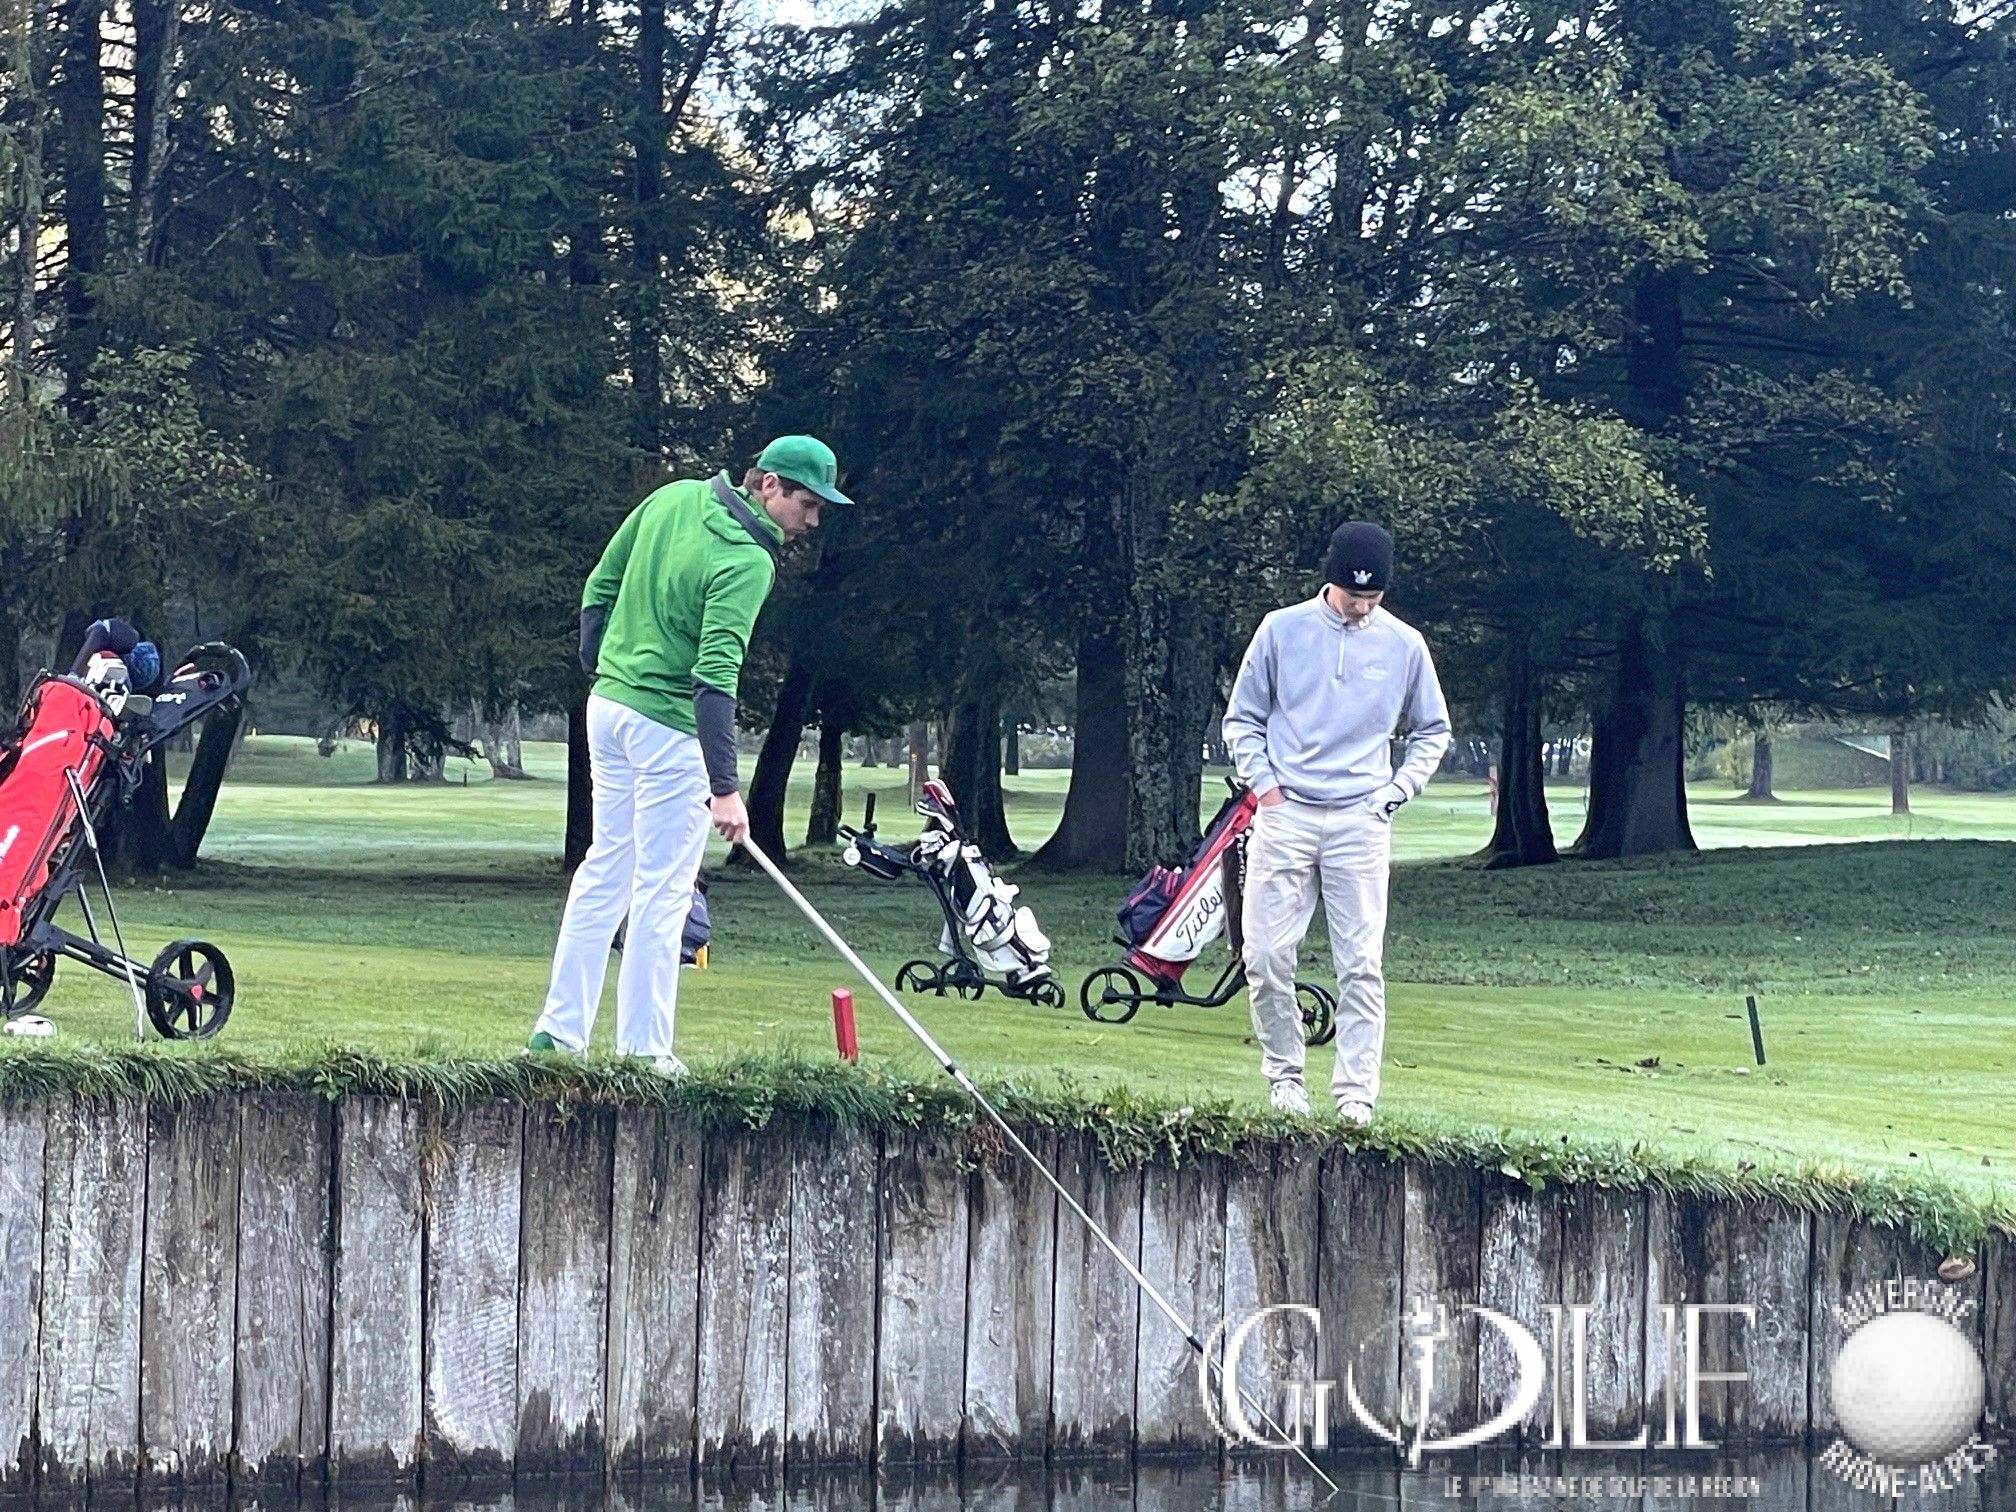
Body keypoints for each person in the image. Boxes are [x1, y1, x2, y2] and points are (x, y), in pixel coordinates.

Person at [527, 436, 849, 1073]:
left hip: (608, 711)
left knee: (605, 869)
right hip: (667, 729)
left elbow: (599, 586)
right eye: (807, 504)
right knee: (664, 890)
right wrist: (726, 788)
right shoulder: (749, 561)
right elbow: (715, 676)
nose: (812, 521)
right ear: (768, 485)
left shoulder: (672, 497)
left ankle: (557, 1036)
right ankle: (645, 1051)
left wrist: (603, 669)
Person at [1223, 521, 1451, 1124]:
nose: (1361, 607)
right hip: (1287, 813)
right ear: (1331, 581)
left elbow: (1433, 729)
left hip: (1361, 817)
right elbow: (1243, 719)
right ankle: (1285, 1078)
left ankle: (1355, 1096)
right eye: (1353, 595)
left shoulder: (1405, 645)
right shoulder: (1281, 630)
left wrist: (1396, 793)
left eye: (1373, 597)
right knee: (1265, 955)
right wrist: (1267, 790)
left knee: (1361, 965)